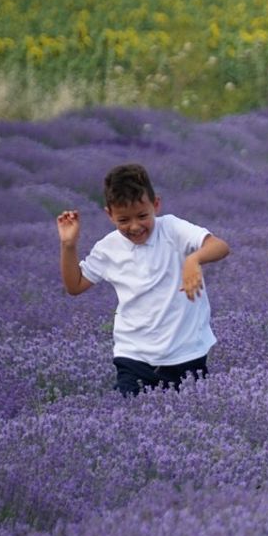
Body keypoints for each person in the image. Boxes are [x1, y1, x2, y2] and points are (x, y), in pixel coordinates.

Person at [56, 163, 230, 396]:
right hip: (133, 357)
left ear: (155, 204)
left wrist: (193, 260)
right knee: (126, 419)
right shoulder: (108, 248)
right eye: (124, 220)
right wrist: (68, 245)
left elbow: (220, 246)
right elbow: (74, 285)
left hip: (187, 355)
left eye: (142, 216)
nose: (135, 226)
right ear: (109, 214)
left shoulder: (172, 229)